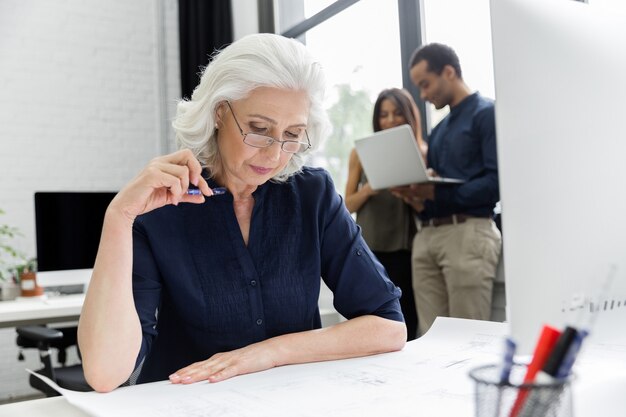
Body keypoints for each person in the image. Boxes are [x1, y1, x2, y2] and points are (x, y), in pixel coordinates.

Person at [77, 33, 407, 393]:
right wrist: (119, 216)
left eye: (293, 134)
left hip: (290, 402)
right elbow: (105, 373)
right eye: (259, 130)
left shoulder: (312, 194)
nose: (275, 154)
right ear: (220, 113)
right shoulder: (162, 206)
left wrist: (270, 352)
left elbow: (388, 326)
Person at [392, 43, 501, 335]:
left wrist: (436, 193)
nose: (424, 95)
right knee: (430, 336)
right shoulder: (438, 132)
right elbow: (435, 191)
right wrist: (414, 194)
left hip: (468, 234)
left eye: (425, 85)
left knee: (470, 335)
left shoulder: (487, 114)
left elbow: (496, 184)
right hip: (428, 237)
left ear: (449, 72)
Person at [344, 88, 425, 340]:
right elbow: (347, 204)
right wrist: (370, 189)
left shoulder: (422, 151)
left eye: (397, 113)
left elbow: (427, 206)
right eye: (384, 114)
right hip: (370, 247)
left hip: (406, 248)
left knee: (407, 319)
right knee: (371, 317)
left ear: (410, 115)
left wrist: (408, 193)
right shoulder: (361, 153)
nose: (390, 120)